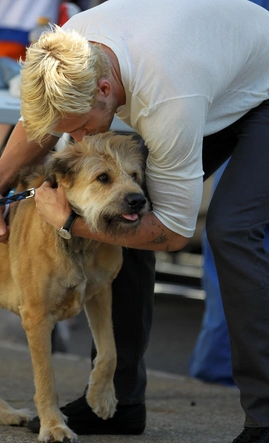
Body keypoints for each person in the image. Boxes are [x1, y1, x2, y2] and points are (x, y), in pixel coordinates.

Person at [0, 1, 269, 442]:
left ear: (103, 88)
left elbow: (172, 233)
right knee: (121, 212)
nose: (76, 141)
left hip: (257, 88)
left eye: (79, 129)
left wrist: (69, 222)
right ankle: (119, 402)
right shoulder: (68, 50)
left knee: (230, 231)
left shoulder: (167, 95)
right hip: (213, 72)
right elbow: (43, 122)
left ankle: (265, 416)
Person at [189, 0, 269, 391]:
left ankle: (222, 372)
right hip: (235, 73)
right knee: (231, 232)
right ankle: (217, 369)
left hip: (239, 66)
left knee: (233, 231)